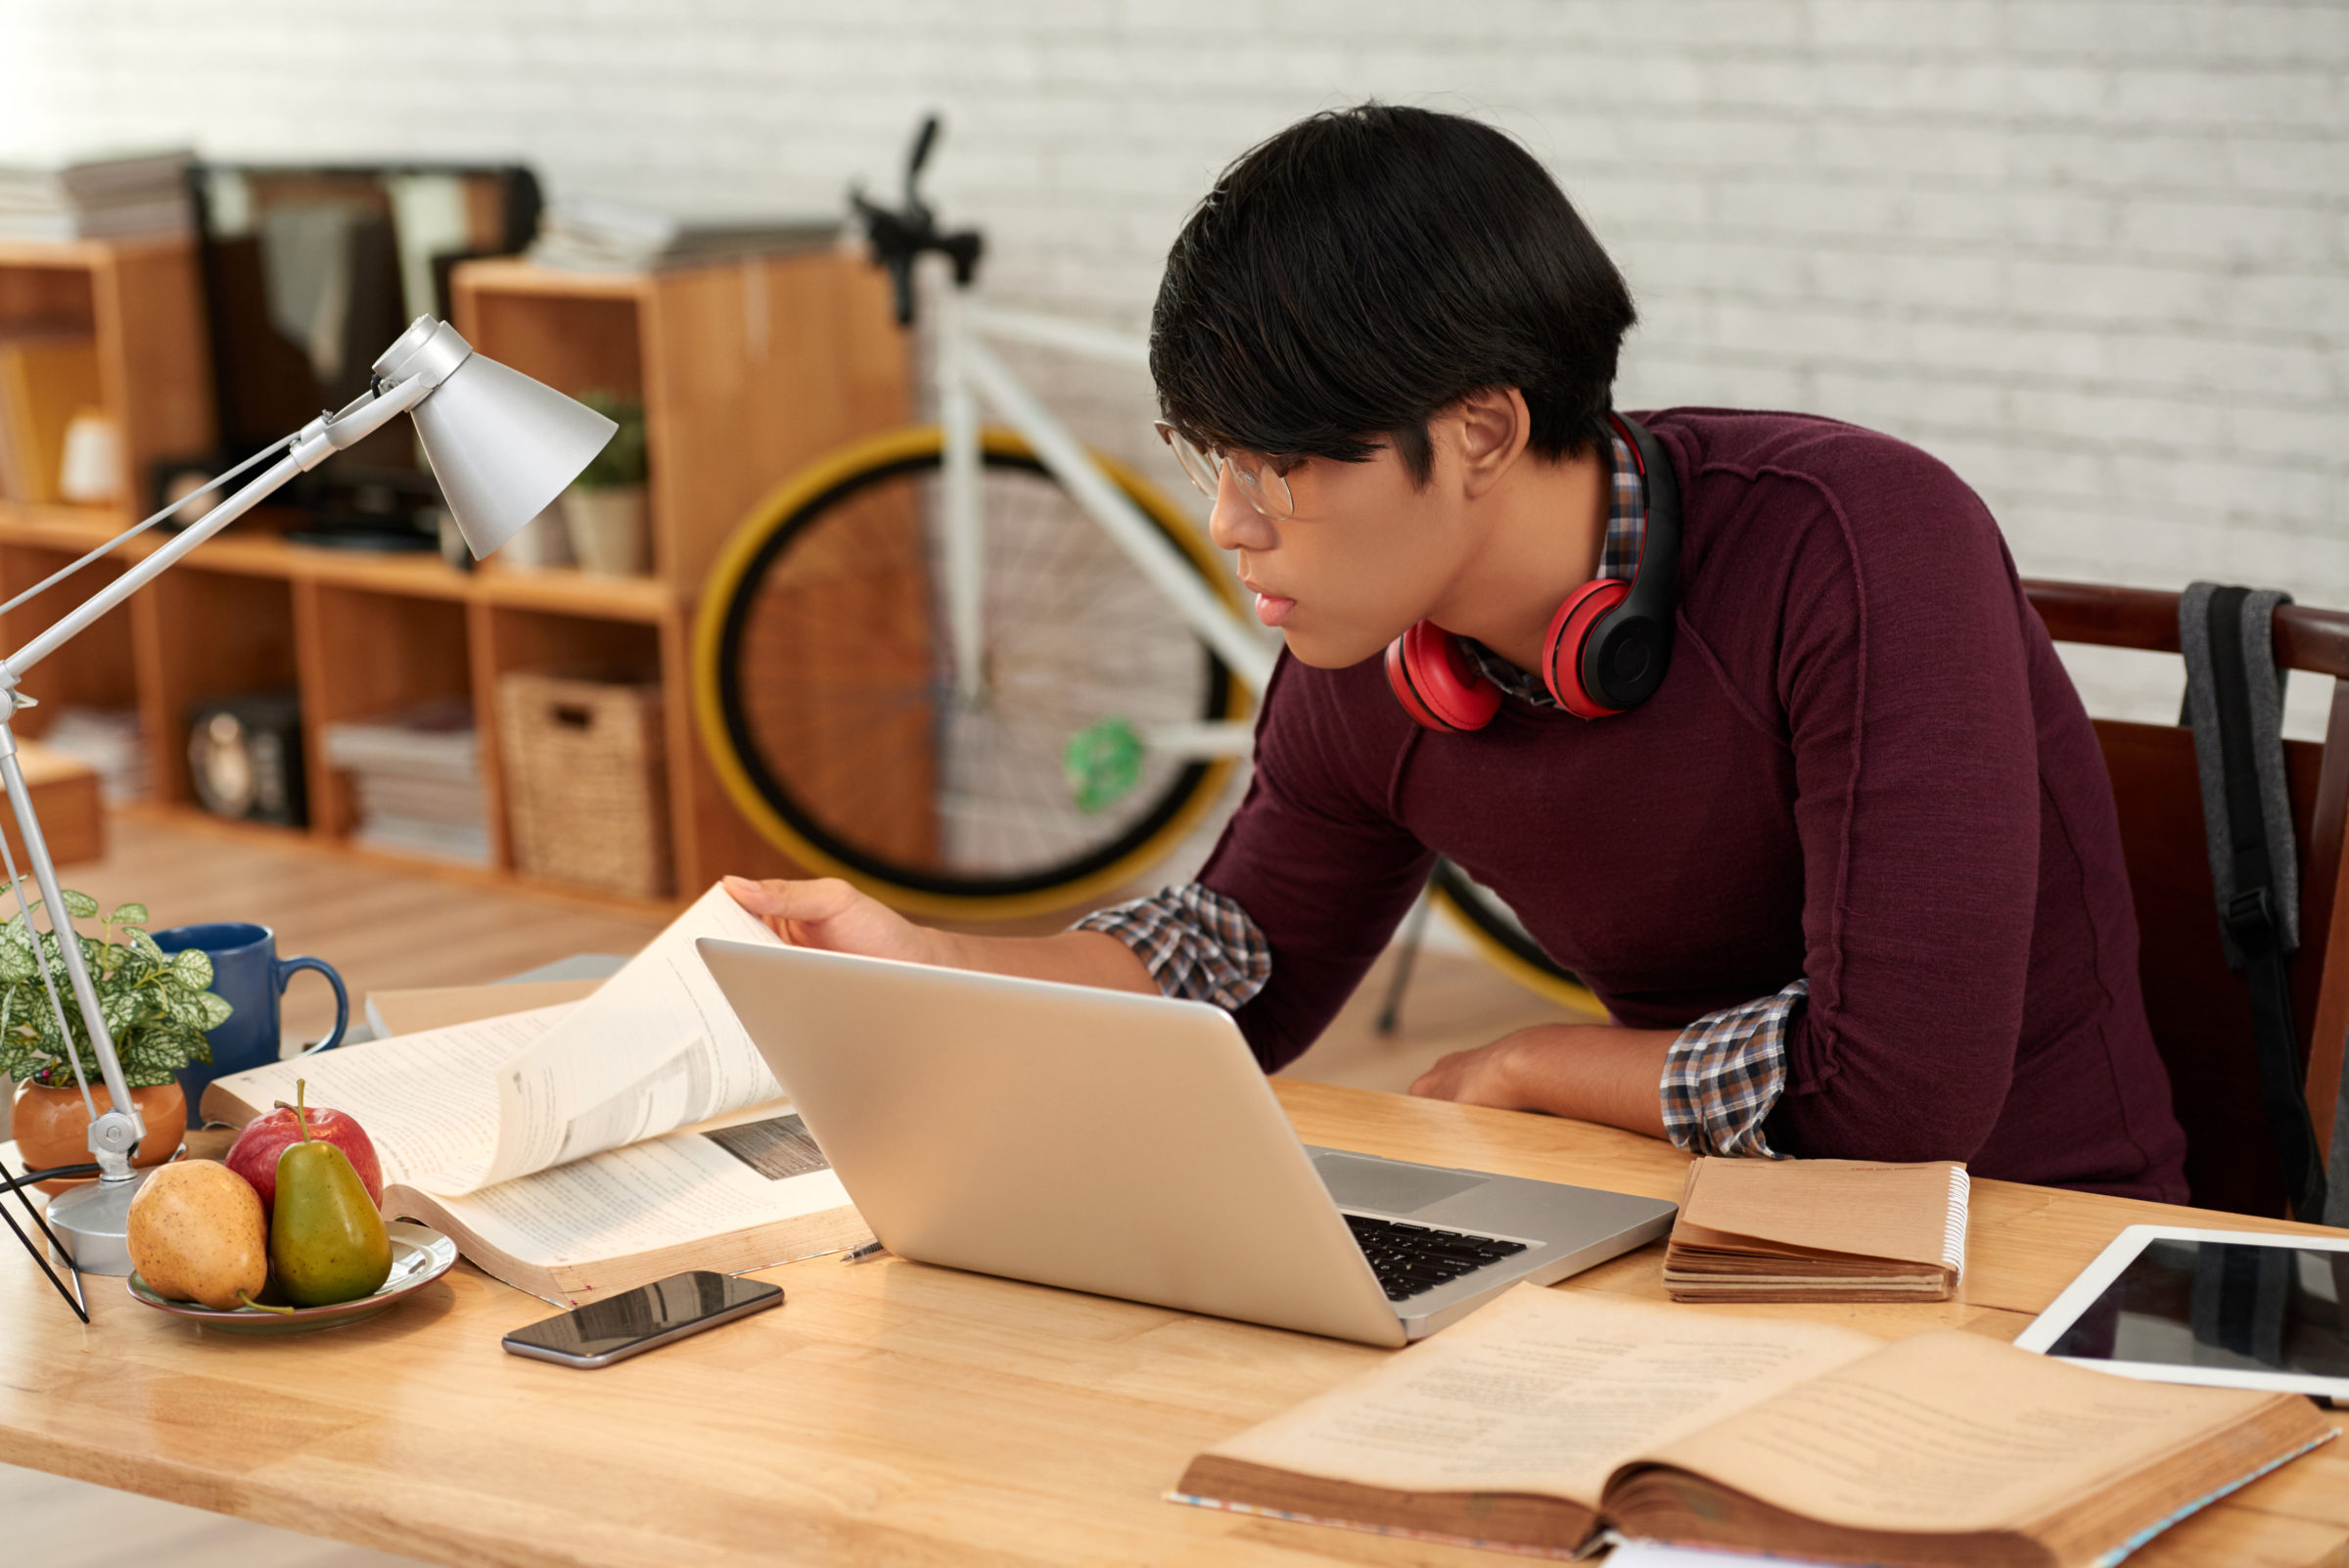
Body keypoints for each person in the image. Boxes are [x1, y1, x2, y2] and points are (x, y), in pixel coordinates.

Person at [727, 103, 2188, 1201]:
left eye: (1280, 464)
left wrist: (1530, 1064)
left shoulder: (1859, 545)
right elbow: (1233, 969)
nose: (1232, 524)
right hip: (1697, 1230)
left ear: (1482, 429)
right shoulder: (1365, 651)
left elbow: (1901, 1098)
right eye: (1209, 461)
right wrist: (926, 962)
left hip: (2029, 1262)